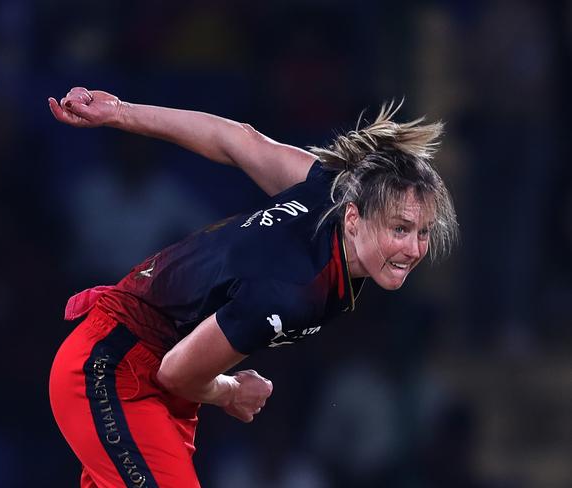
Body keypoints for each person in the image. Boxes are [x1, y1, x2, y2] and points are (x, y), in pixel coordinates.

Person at [47, 87, 458, 488]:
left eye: (423, 232)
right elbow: (176, 372)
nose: (413, 249)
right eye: (399, 229)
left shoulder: (330, 193)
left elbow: (235, 140)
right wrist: (230, 391)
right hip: (112, 370)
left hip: (150, 380)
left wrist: (120, 112)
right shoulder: (293, 289)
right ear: (353, 219)